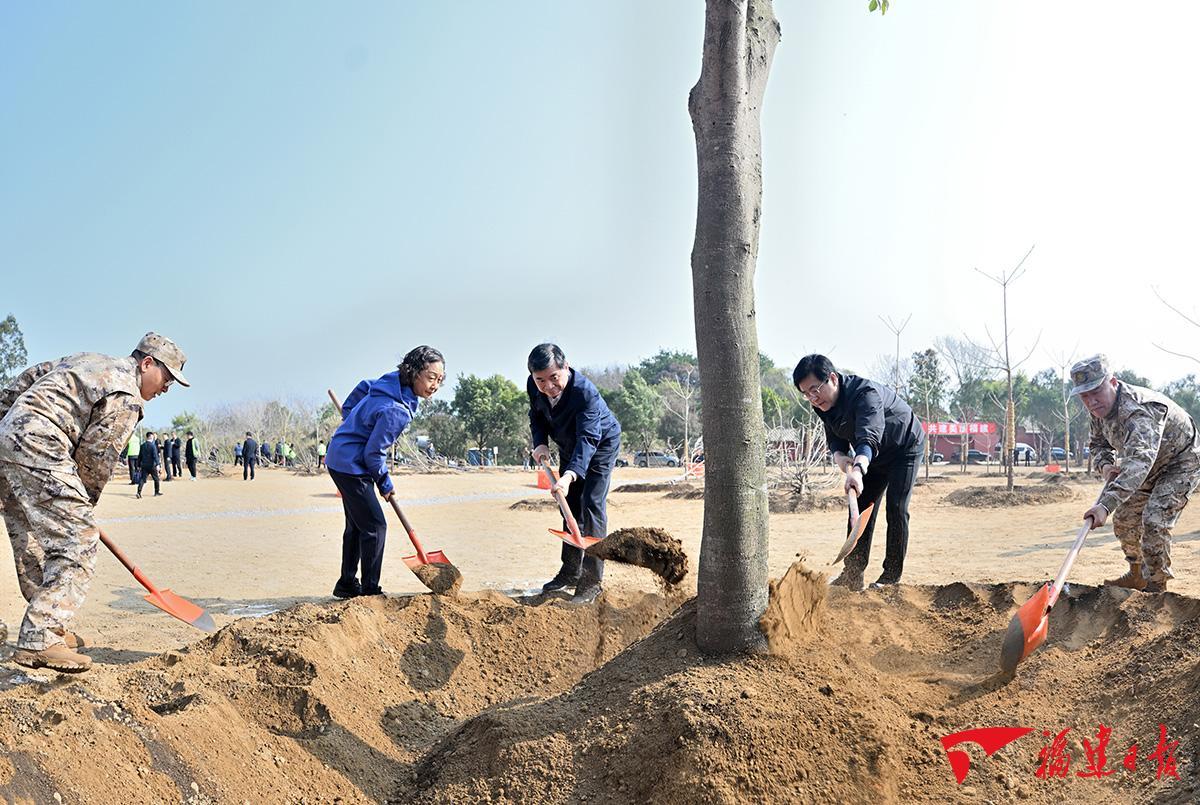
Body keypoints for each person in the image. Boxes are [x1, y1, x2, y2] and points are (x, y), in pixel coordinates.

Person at [0, 332, 187, 673]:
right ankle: (41, 636)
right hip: (42, 444)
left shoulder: (89, 360)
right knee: (77, 538)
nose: (166, 388)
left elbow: (23, 382)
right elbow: (95, 459)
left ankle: (50, 622)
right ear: (147, 363)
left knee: (29, 537)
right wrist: (81, 509)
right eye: (167, 378)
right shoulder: (127, 396)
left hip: (8, 438)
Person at [793, 354, 925, 591]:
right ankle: (853, 574)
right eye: (806, 394)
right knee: (861, 506)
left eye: (815, 389)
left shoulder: (865, 395)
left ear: (832, 378)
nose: (812, 398)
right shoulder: (823, 404)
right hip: (871, 456)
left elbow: (869, 435)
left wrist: (858, 468)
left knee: (896, 507)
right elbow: (835, 438)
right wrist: (841, 458)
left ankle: (891, 578)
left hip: (903, 447)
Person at [1072, 355, 1200, 593]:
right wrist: (1105, 466)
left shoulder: (1140, 411)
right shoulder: (1097, 410)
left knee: (1154, 519)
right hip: (1147, 465)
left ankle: (1156, 587)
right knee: (1125, 519)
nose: (1091, 401)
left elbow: (1138, 463)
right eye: (1084, 396)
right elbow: (1098, 444)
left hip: (1180, 462)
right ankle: (1136, 575)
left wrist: (1105, 505)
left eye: (1096, 391)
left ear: (1112, 382)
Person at [326, 346, 444, 599]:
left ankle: (347, 583)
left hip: (341, 458)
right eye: (431, 377)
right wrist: (385, 482)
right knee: (375, 526)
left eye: (440, 379)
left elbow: (363, 386)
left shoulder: (389, 382)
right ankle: (370, 590)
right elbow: (374, 454)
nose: (435, 385)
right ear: (413, 373)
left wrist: (350, 416)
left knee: (358, 525)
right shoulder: (397, 411)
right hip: (351, 466)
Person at [527, 343, 622, 604]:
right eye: (540, 380)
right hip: (569, 444)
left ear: (565, 367)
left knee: (591, 504)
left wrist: (568, 477)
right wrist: (540, 442)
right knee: (568, 505)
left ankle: (592, 581)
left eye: (554, 378)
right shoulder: (533, 385)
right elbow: (536, 415)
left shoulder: (584, 393)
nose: (548, 386)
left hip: (600, 444)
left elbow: (589, 439)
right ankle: (570, 571)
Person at [137, 431, 163, 499]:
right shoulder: (153, 446)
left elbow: (140, 456)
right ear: (151, 437)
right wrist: (158, 464)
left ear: (146, 437)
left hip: (144, 465)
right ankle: (156, 492)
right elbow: (155, 456)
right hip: (152, 465)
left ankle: (138, 492)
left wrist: (138, 465)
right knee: (156, 479)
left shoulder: (142, 445)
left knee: (142, 479)